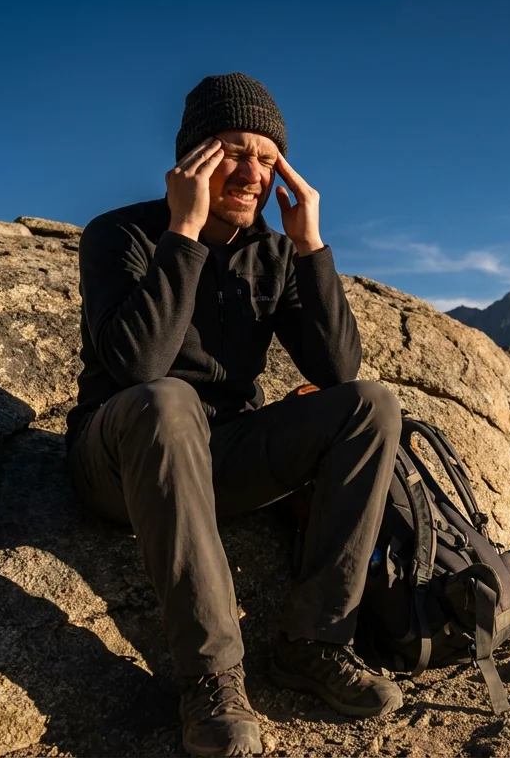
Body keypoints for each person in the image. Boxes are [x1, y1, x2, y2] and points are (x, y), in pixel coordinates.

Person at [65, 72, 403, 756]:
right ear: (192, 159)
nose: (253, 173)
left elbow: (336, 371)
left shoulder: (270, 253)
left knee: (372, 404)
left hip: (225, 456)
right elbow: (137, 366)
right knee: (168, 398)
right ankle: (211, 677)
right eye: (234, 153)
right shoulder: (119, 236)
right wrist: (184, 230)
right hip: (125, 458)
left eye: (267, 158)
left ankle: (312, 643)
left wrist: (309, 246)